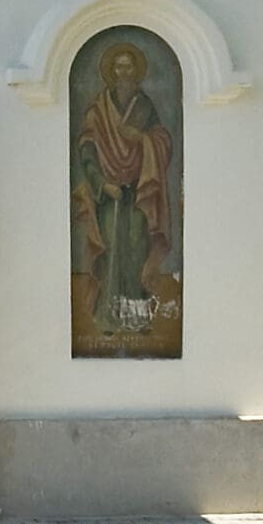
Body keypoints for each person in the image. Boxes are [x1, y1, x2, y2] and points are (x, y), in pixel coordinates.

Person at [72, 39, 174, 335]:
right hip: (109, 195)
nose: (124, 72)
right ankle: (107, 318)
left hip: (139, 192)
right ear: (112, 71)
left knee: (136, 251)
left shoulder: (143, 105)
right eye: (119, 66)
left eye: (129, 66)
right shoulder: (98, 108)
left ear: (136, 71)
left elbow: (161, 140)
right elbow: (87, 150)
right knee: (110, 251)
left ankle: (137, 318)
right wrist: (102, 184)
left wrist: (142, 139)